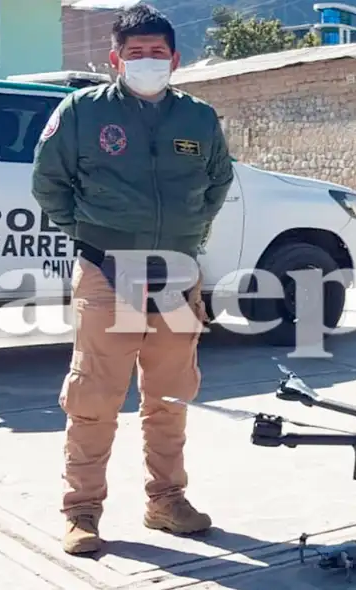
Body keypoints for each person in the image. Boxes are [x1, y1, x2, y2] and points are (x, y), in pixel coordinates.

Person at [31, 4, 234, 555]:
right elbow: (49, 183)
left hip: (175, 274)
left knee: (169, 396)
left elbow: (218, 180)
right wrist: (91, 236)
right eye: (136, 53)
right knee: (95, 396)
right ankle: (82, 512)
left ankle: (166, 501)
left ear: (176, 57)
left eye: (157, 53)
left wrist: (190, 231)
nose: (147, 61)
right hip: (108, 271)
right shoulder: (82, 113)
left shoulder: (198, 118)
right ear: (115, 58)